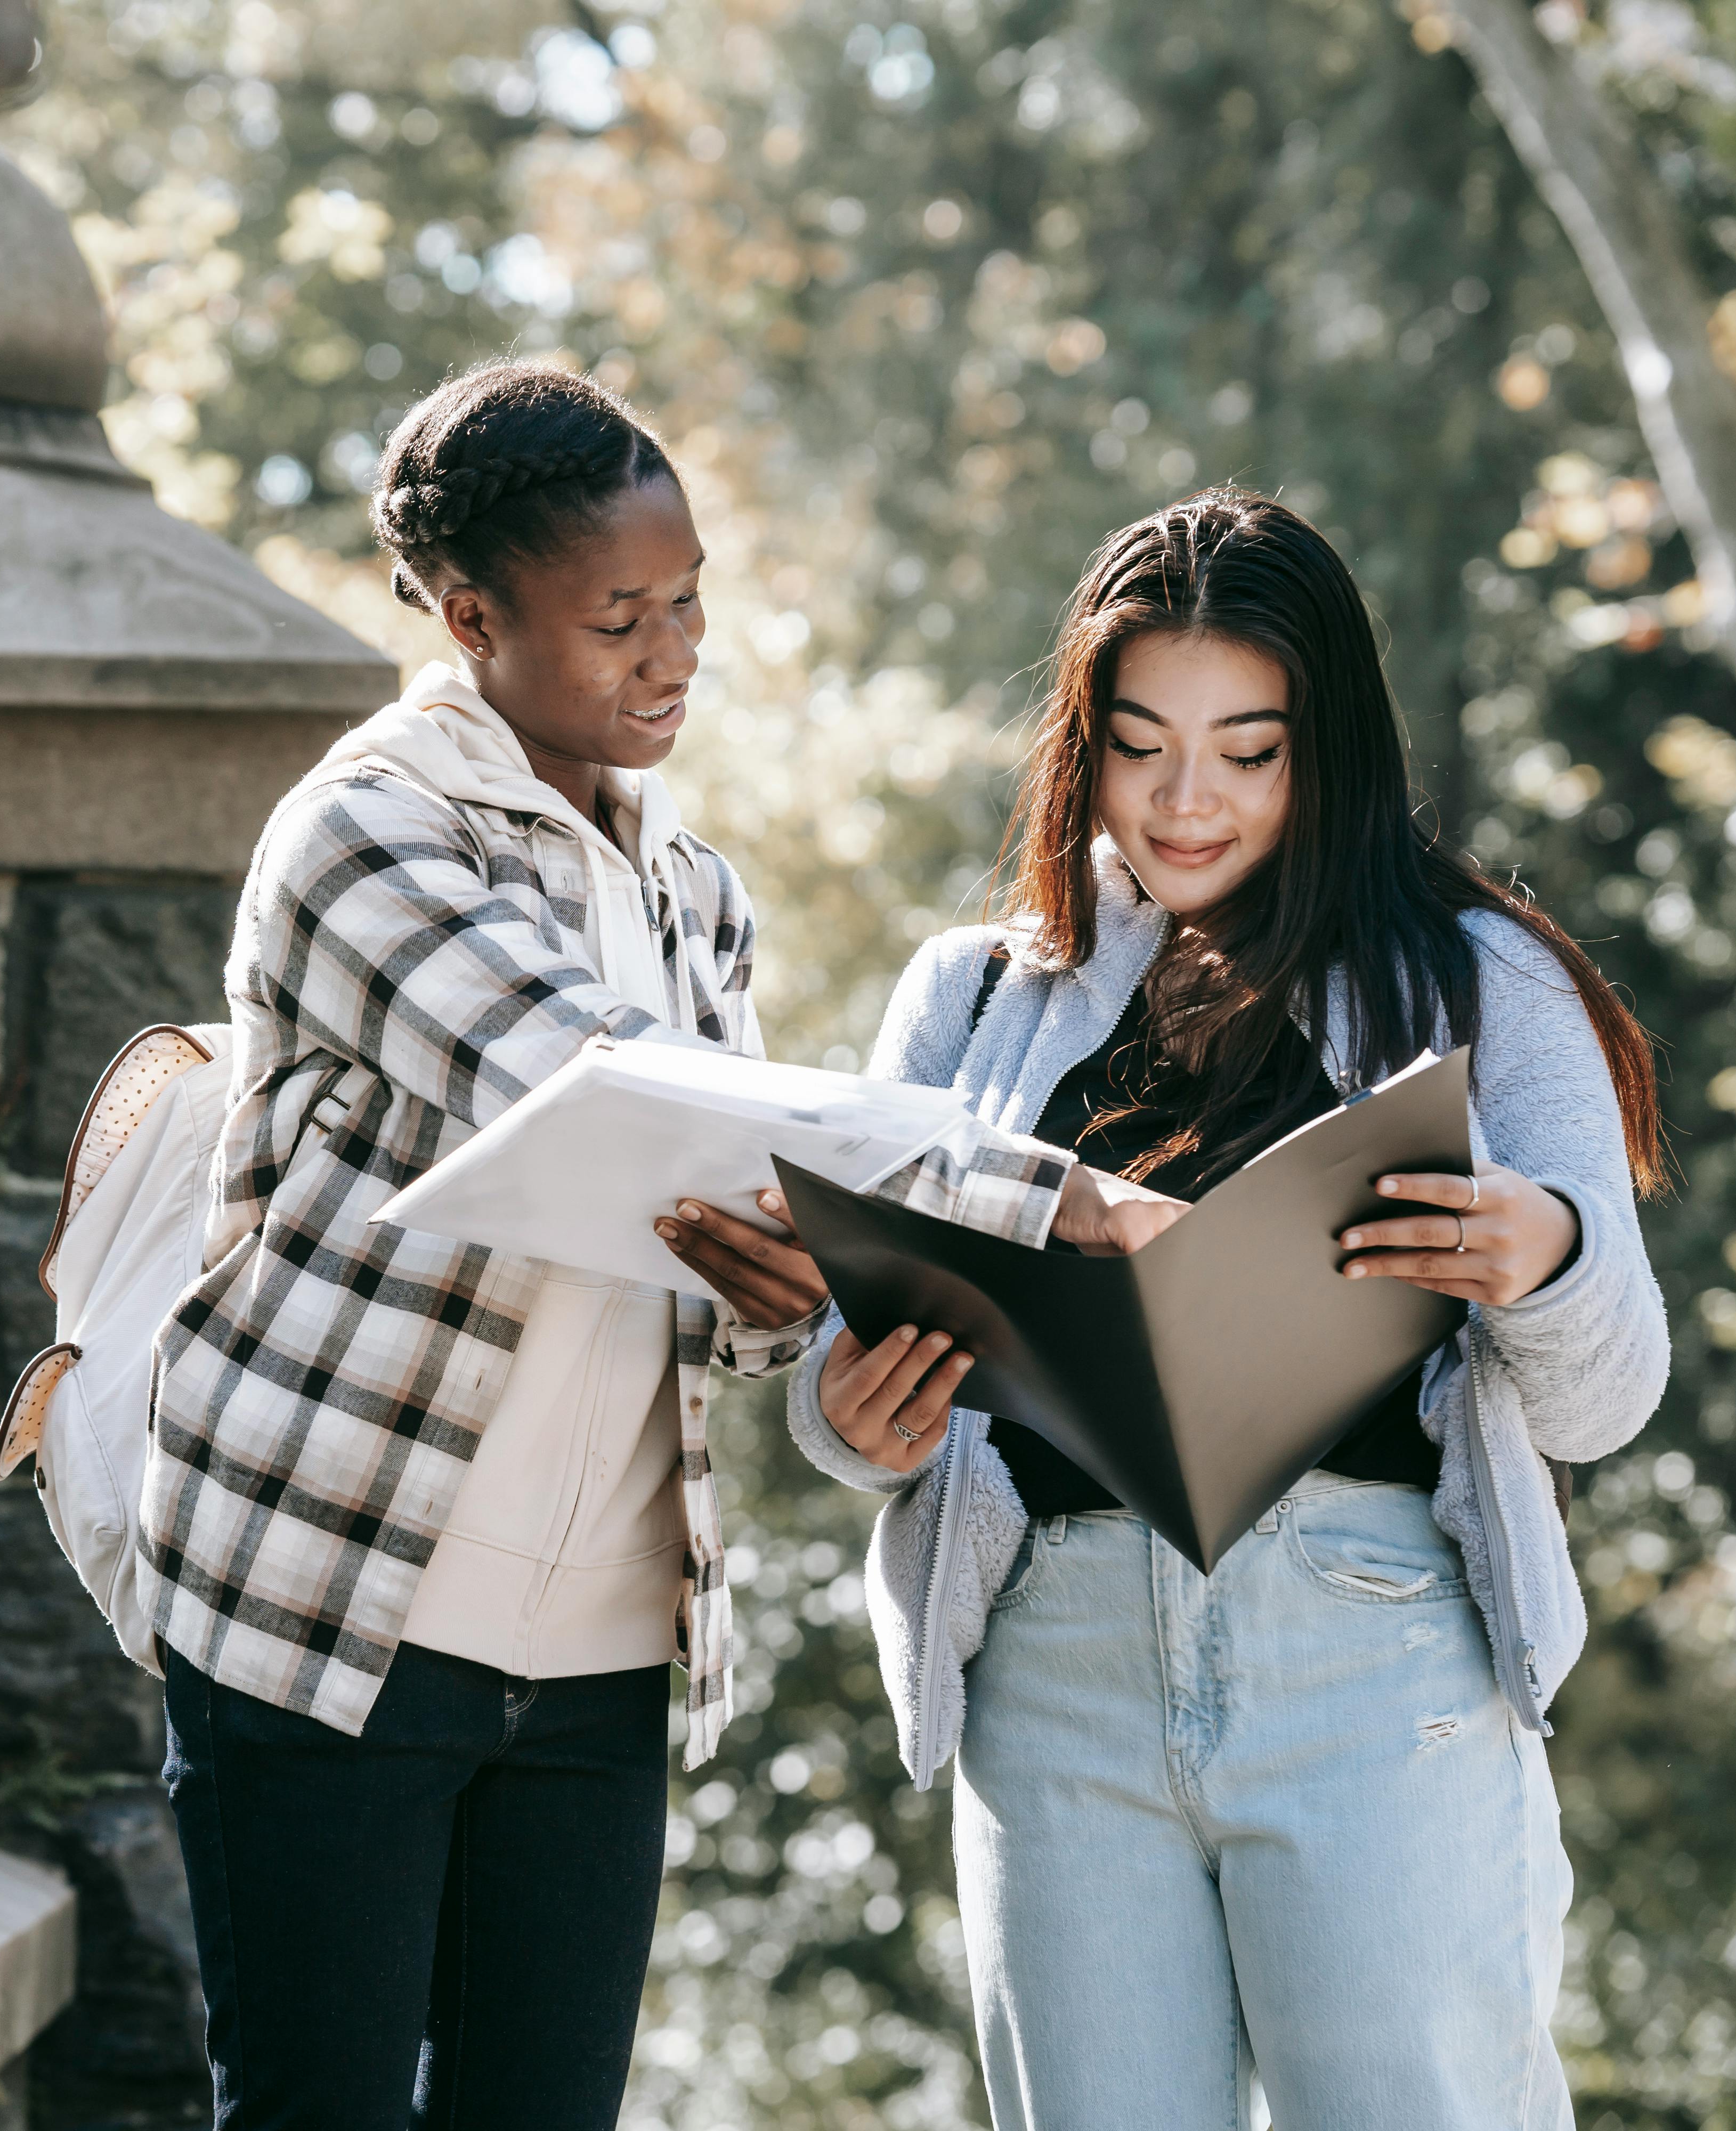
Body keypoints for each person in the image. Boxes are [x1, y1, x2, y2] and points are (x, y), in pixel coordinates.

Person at [144, 360, 1169, 2131]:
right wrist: (1047, 1199)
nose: (673, 650)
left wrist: (781, 1300)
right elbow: (595, 1087)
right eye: (621, 617)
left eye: (689, 600)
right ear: (472, 617)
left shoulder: (695, 891)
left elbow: (714, 1241)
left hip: (607, 1647)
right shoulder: (368, 836)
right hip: (334, 1614)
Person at [786, 489, 1673, 2130]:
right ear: (1082, 742)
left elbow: (1608, 1399)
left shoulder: (1486, 980)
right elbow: (856, 1372)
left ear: (1327, 748)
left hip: (1371, 1658)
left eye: (1248, 751)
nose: (1187, 801)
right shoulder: (970, 997)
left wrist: (1541, 1249)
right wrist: (849, 1415)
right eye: (1141, 745)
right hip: (1055, 1682)